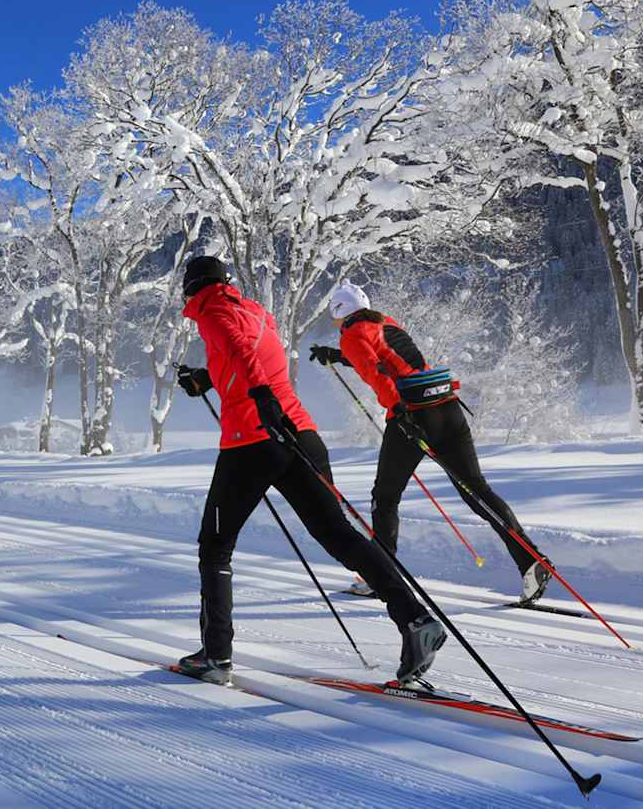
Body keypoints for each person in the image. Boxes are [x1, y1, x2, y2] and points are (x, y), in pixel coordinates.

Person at [174, 256, 445, 686]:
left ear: (192, 289)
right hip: (300, 432)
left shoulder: (213, 310)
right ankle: (415, 620)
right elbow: (250, 355)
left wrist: (260, 397)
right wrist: (209, 379)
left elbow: (241, 352)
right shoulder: (254, 311)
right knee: (339, 535)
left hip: (253, 439)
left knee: (215, 545)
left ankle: (216, 655)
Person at [309, 281, 552, 604]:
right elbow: (390, 360)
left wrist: (399, 412)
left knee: (385, 496)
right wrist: (338, 357)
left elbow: (377, 373)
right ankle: (530, 561)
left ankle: (380, 574)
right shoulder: (386, 322)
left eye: (334, 317)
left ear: (340, 313)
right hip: (447, 408)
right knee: (476, 490)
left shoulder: (351, 333)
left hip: (413, 415)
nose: (335, 324)